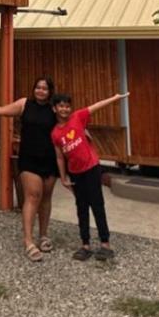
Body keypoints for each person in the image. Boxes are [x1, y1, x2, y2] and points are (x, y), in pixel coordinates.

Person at [0, 75, 58, 261]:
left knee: (46, 197)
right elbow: (2, 110)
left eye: (45, 88)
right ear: (33, 89)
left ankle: (43, 235)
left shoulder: (54, 109)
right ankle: (28, 241)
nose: (41, 91)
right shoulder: (25, 104)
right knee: (33, 196)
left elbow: (69, 123)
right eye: (38, 87)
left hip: (50, 159)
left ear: (50, 92)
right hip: (29, 158)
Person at [51, 90, 128, 261]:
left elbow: (96, 106)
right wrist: (63, 178)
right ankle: (85, 244)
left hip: (91, 168)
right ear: (54, 108)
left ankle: (105, 243)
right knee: (81, 207)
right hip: (75, 173)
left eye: (67, 106)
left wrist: (115, 98)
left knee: (97, 204)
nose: (64, 109)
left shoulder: (77, 117)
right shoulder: (55, 133)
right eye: (61, 106)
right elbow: (59, 157)